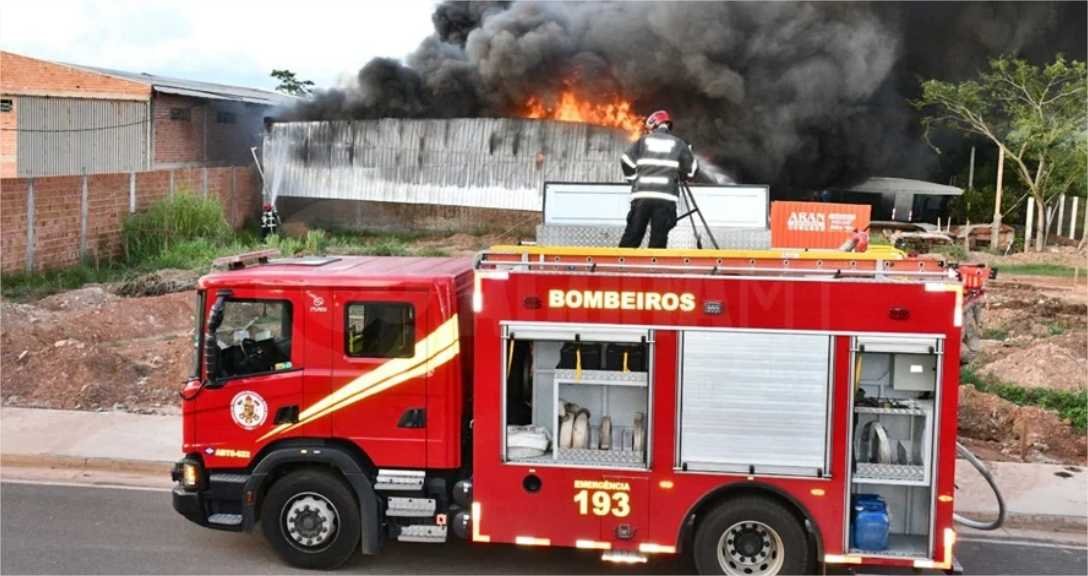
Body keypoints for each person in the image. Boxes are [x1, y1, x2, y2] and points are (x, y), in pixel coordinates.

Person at [618, 110, 698, 249]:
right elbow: (692, 171)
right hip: (665, 198)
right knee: (658, 238)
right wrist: (688, 153)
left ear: (654, 124)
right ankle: (653, 269)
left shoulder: (643, 141)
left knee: (633, 235)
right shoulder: (679, 143)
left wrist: (633, 179)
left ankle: (620, 266)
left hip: (642, 196)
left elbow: (626, 160)